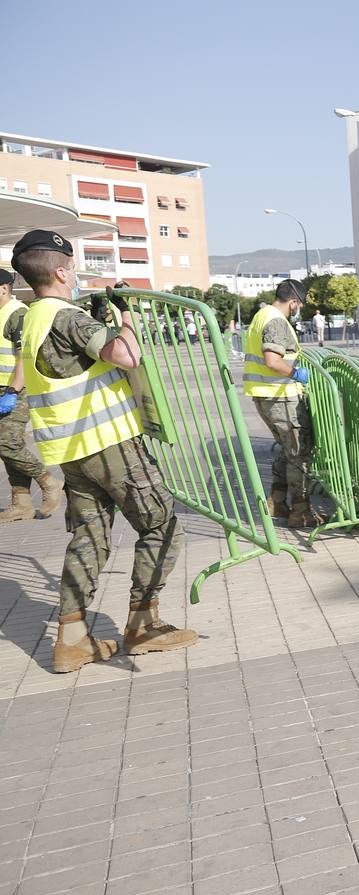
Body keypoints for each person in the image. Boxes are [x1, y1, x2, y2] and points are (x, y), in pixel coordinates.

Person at [10, 230, 195, 673]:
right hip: (109, 443)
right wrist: (125, 317)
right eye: (70, 268)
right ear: (59, 270)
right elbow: (126, 355)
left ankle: (71, 640)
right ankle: (144, 624)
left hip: (71, 450)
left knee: (90, 537)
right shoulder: (66, 316)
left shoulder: (30, 317)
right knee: (163, 526)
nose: (74, 276)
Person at [244, 279, 321, 528]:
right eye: (299, 304)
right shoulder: (276, 320)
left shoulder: (261, 315)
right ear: (294, 301)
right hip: (280, 396)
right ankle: (301, 511)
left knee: (287, 451)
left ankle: (277, 502)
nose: (298, 309)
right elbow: (272, 360)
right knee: (299, 453)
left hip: (266, 395)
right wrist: (297, 374)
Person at [0, 268, 63, 523]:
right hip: (4, 388)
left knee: (7, 442)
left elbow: (25, 357)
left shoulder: (18, 314)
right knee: (7, 448)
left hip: (17, 389)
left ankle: (49, 482)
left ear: (3, 288)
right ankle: (22, 503)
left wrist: (13, 391)